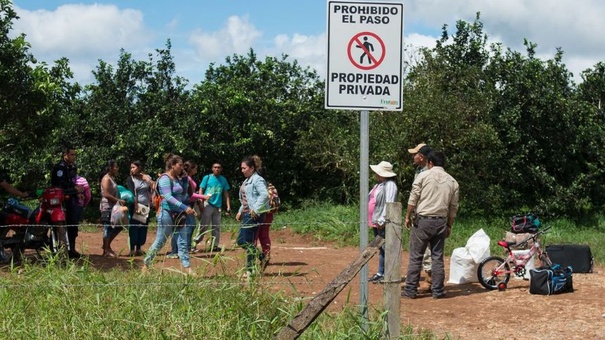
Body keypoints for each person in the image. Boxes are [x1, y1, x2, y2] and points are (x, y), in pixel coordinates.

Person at [402, 151, 459, 299]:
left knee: (416, 256)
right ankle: (438, 290)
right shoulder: (452, 182)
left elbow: (413, 198)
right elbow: (453, 208)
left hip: (423, 221)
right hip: (440, 221)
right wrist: (449, 225)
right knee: (437, 257)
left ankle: (410, 290)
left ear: (430, 163)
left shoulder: (423, 176)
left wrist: (408, 216)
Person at [142, 155, 196, 274]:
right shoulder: (164, 179)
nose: (182, 167)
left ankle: (188, 268)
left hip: (178, 214)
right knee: (161, 240)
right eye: (180, 165)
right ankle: (146, 264)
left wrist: (185, 179)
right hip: (166, 213)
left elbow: (185, 194)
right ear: (172, 165)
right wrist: (184, 207)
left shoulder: (178, 178)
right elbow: (168, 197)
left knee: (183, 241)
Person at [235, 155, 269, 279]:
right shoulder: (247, 180)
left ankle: (250, 269)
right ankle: (261, 258)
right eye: (242, 168)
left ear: (252, 168)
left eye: (244, 168)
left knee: (246, 242)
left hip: (253, 215)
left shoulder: (257, 180)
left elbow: (264, 195)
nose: (242, 170)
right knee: (244, 241)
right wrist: (240, 211)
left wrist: (255, 209)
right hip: (246, 213)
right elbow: (245, 199)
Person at [167, 160, 208, 257]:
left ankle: (184, 247)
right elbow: (188, 194)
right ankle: (179, 249)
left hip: (189, 204)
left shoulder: (189, 178)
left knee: (187, 226)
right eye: (195, 168)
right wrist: (202, 197)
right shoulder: (186, 178)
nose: (197, 170)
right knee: (184, 226)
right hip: (185, 204)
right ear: (191, 168)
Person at [367, 161, 399, 284]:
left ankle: (387, 274)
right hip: (376, 221)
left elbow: (389, 203)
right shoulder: (379, 184)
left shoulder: (390, 185)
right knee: (382, 248)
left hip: (382, 221)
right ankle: (381, 272)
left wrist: (383, 219)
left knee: (386, 248)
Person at [50, 146, 83, 258]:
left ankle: (71, 249)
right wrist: (74, 188)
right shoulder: (60, 168)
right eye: (72, 154)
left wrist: (76, 189)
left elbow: (72, 181)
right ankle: (55, 250)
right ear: (65, 155)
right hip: (59, 200)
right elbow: (60, 184)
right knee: (58, 225)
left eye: (75, 154)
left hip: (70, 199)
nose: (74, 157)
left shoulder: (72, 167)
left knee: (72, 224)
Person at [408, 143, 434, 283]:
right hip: (419, 213)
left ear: (422, 157)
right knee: (418, 247)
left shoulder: (428, 173)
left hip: (425, 214)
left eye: (415, 154)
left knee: (426, 248)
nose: (413, 156)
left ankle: (429, 277)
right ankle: (419, 277)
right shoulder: (419, 171)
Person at [193, 161, 231, 252]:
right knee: (204, 225)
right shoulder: (207, 177)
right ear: (212, 168)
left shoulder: (223, 179)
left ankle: (214, 245)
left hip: (218, 205)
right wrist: (201, 202)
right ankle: (195, 242)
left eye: (218, 167)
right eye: (215, 167)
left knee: (216, 226)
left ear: (221, 169)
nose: (217, 169)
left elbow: (226, 193)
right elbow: (201, 189)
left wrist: (228, 206)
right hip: (208, 204)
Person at [125, 161, 154, 256]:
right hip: (136, 205)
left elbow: (153, 188)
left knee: (143, 227)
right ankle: (132, 249)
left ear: (139, 168)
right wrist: (136, 205)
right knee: (134, 227)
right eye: (131, 167)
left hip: (145, 206)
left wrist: (148, 180)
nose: (131, 169)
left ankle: (139, 248)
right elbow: (131, 192)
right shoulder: (130, 179)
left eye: (133, 167)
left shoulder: (147, 177)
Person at [254, 166, 279, 270]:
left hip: (257, 214)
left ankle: (253, 261)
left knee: (253, 237)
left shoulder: (256, 184)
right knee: (264, 236)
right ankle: (266, 254)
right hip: (269, 214)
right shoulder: (269, 185)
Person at [99, 160, 125, 258]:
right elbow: (105, 194)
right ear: (110, 168)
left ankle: (107, 246)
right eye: (116, 167)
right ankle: (106, 249)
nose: (117, 168)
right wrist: (118, 200)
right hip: (107, 207)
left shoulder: (111, 178)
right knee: (108, 228)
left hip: (113, 206)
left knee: (118, 226)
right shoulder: (106, 179)